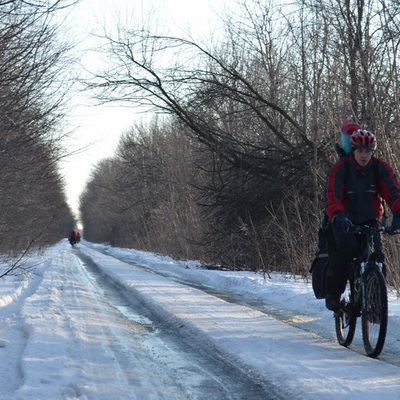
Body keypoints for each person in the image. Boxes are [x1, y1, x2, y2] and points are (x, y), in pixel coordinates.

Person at [324, 128, 400, 311]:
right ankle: (333, 294)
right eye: (360, 151)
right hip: (344, 220)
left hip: (370, 220)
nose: (364, 155)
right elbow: (332, 195)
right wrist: (337, 215)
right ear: (353, 150)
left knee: (377, 259)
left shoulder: (380, 168)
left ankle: (374, 307)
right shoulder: (341, 168)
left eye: (368, 151)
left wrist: (398, 214)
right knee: (346, 250)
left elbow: (393, 192)